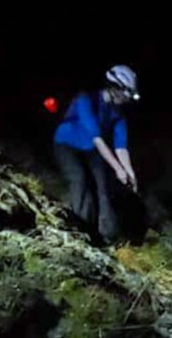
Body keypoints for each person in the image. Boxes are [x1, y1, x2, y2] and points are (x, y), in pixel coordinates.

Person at [54, 65, 140, 244]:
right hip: (67, 144)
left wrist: (129, 171)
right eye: (125, 94)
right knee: (80, 180)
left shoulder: (118, 114)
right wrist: (118, 169)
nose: (126, 100)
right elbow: (97, 139)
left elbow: (121, 147)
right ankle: (82, 232)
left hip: (91, 150)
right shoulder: (86, 100)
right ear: (115, 88)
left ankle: (108, 237)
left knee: (103, 186)